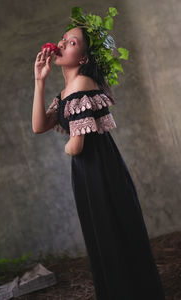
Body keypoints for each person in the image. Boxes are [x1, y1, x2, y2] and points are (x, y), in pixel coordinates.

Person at [32, 7, 166, 300]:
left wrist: (69, 143)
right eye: (63, 39)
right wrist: (40, 80)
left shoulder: (81, 84)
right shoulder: (68, 91)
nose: (62, 43)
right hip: (88, 174)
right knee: (104, 236)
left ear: (84, 58)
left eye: (72, 42)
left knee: (110, 235)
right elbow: (39, 125)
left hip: (101, 173)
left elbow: (76, 145)